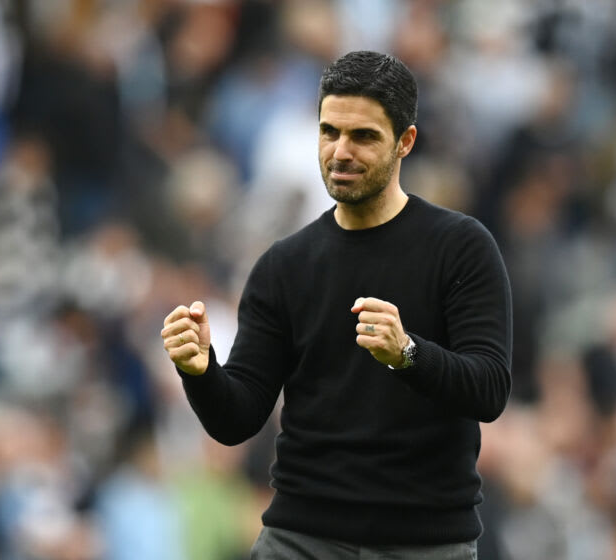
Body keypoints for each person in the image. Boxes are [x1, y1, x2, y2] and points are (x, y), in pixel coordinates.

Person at [160, 50, 512, 559]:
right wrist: (200, 371)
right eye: (330, 132)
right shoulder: (284, 266)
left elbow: (489, 389)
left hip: (423, 543)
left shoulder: (460, 247)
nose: (340, 151)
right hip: (301, 538)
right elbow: (237, 420)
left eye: (364, 136)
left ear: (405, 142)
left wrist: (408, 354)